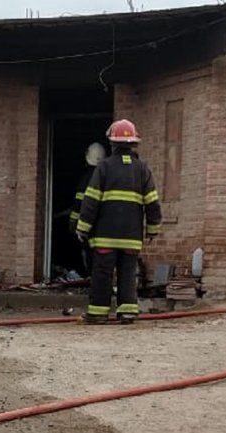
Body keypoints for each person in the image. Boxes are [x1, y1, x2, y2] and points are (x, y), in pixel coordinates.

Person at [76, 119, 162, 324]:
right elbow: (152, 202)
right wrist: (152, 229)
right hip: (131, 237)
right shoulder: (142, 169)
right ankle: (128, 312)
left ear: (112, 144)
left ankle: (98, 313)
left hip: (105, 236)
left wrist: (83, 228)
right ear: (134, 144)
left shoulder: (104, 168)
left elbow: (91, 201)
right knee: (128, 273)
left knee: (102, 274)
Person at [68, 142, 106, 274]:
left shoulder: (85, 179)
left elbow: (79, 205)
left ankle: (90, 277)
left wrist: (73, 224)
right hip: (105, 226)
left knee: (89, 252)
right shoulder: (107, 177)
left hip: (88, 225)